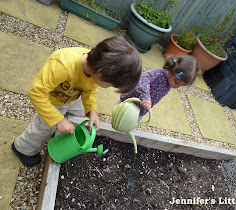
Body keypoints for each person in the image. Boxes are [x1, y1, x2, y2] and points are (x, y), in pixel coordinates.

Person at [12, 36, 142, 167]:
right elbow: (36, 93)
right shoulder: (62, 66)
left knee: (77, 117)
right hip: (51, 101)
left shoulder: (95, 67)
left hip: (73, 96)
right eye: (111, 84)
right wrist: (58, 120)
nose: (109, 87)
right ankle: (23, 148)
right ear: (101, 73)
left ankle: (61, 135)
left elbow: (89, 91)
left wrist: (92, 111)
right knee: (43, 128)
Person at [119, 54, 200, 121]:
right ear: (172, 72)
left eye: (180, 86)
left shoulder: (169, 83)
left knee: (128, 125)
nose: (177, 87)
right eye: (176, 83)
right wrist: (146, 97)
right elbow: (142, 79)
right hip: (129, 102)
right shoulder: (158, 73)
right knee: (117, 121)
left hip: (139, 110)